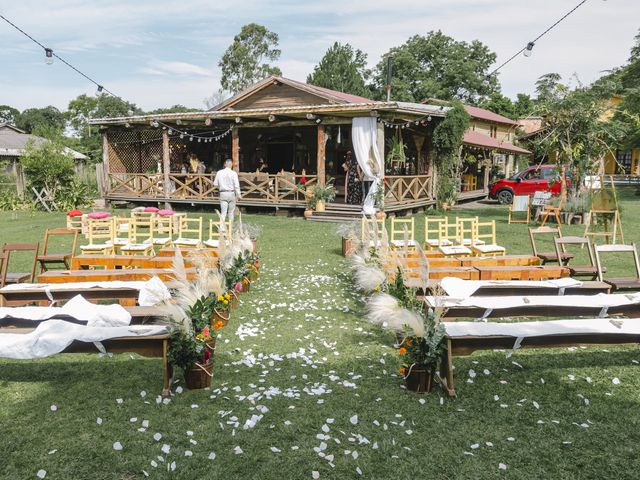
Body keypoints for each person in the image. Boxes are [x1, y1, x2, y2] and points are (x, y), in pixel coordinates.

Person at [213, 159, 241, 223]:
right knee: (231, 212)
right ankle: (230, 228)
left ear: (225, 164)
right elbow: (236, 185)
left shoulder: (219, 172)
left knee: (223, 213)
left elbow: (215, 184)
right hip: (231, 193)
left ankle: (222, 229)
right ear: (231, 165)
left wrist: (221, 187)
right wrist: (239, 194)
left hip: (223, 193)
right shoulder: (234, 173)